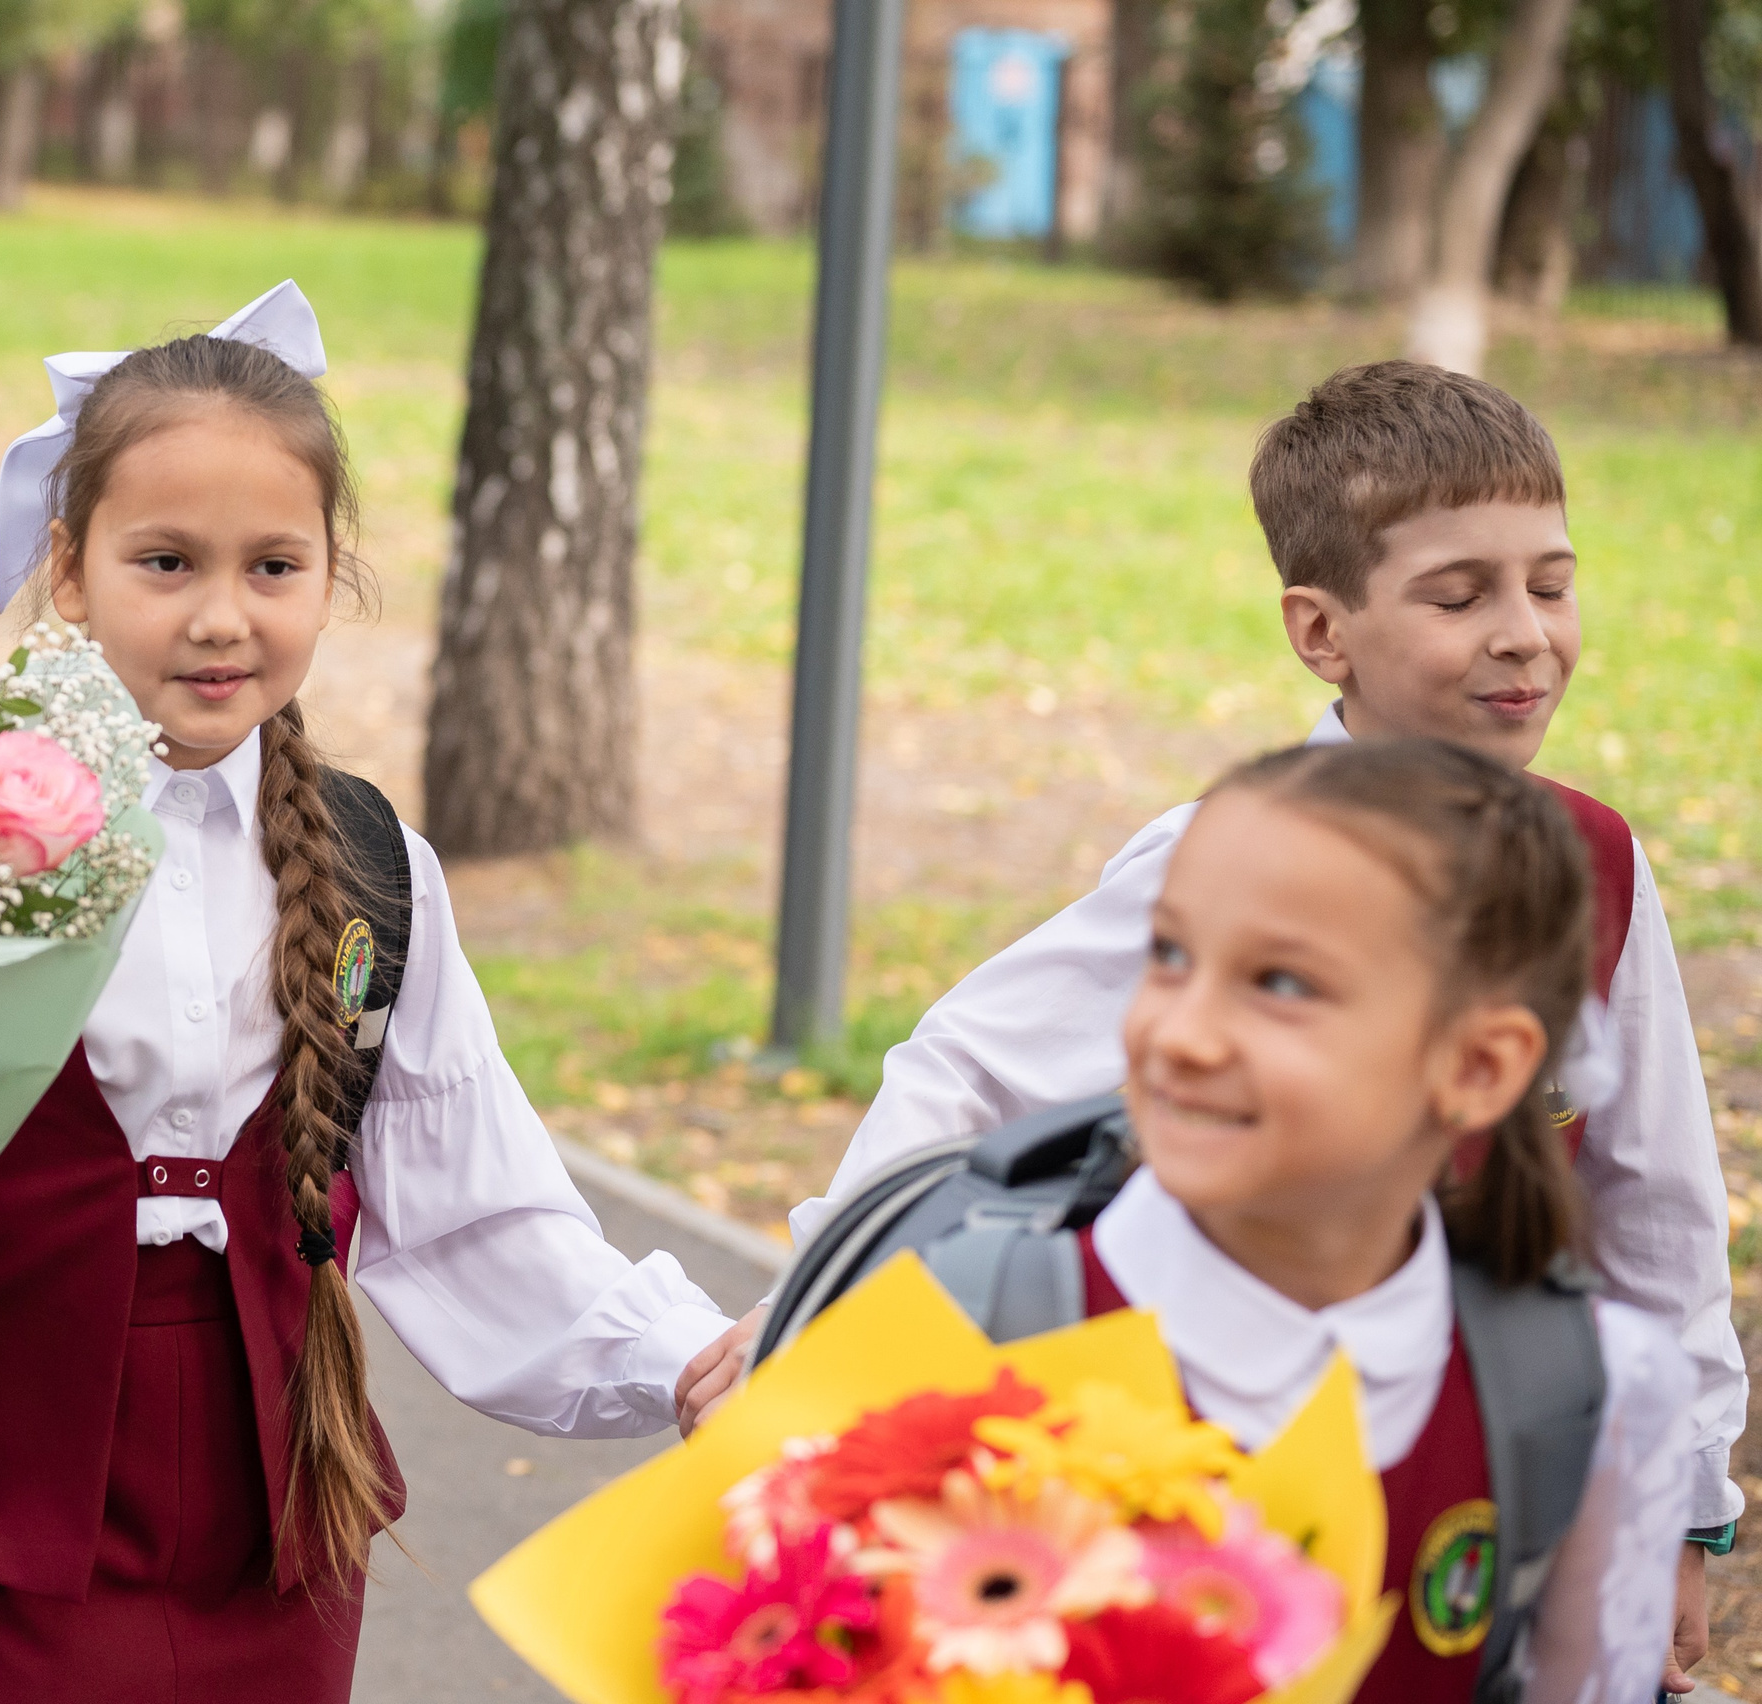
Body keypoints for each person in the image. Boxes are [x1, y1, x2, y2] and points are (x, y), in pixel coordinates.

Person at [0, 284, 735, 1702]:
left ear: (330, 574)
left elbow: (472, 1211)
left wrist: (683, 1359)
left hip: (276, 1501)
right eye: (166, 562)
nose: (221, 618)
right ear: (70, 569)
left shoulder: (374, 868)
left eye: (274, 567)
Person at [677, 362, 1744, 1689]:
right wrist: (810, 1307)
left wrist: (1684, 1502)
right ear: (1323, 632)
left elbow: (1660, 1206)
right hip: (1217, 1437)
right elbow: (964, 1063)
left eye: (1551, 582)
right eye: (1458, 597)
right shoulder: (1235, 866)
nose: (1523, 631)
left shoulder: (1600, 864)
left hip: (1485, 1451)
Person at [1097, 738, 1691, 1699]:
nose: (1180, 1031)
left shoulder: (1591, 1396)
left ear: (1480, 1068)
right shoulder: (983, 1326)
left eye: (1282, 983)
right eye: (1169, 954)